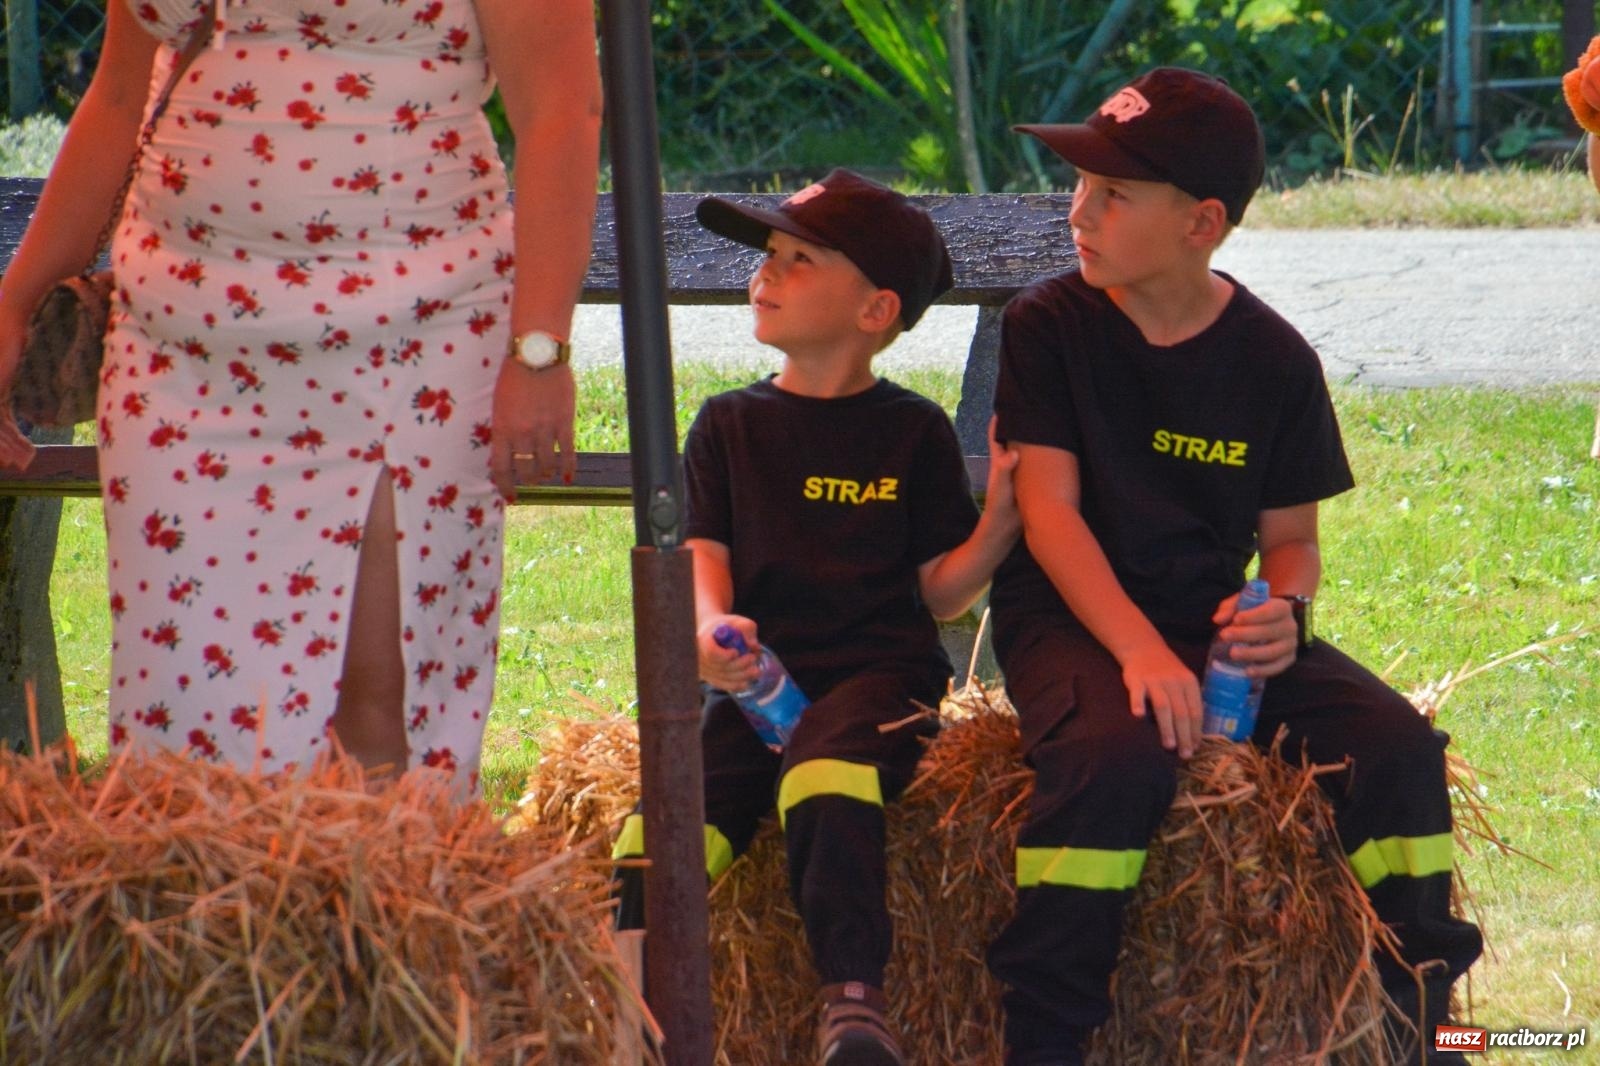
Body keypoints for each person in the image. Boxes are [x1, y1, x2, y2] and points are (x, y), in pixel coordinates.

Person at [981, 68, 1483, 1066]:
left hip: (1211, 621)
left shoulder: (1274, 360)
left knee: (1398, 753)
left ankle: (1431, 1033)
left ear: (1200, 222)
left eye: (1112, 193)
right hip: (1070, 619)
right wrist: (1138, 653)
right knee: (1113, 768)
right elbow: (1049, 516)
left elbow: (1291, 540)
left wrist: (1282, 611)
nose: (1078, 211)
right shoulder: (1048, 327)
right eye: (1079, 185)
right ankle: (1045, 1039)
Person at [0, 0, 601, 794]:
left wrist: (539, 350)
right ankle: (212, 881)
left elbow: (562, 110)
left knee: (380, 708)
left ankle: (382, 881)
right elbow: (117, 98)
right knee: (187, 716)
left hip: (411, 347)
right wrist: (14, 306)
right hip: (181, 357)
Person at [611, 169, 1021, 1066]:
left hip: (881, 681)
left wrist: (998, 523)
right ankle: (621, 1002)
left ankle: (854, 1004)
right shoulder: (728, 423)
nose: (767, 272)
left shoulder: (912, 430)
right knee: (664, 818)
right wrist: (706, 634)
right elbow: (703, 561)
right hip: (755, 682)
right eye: (769, 254)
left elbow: (941, 594)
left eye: (800, 260)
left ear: (876, 310)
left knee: (824, 774)